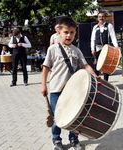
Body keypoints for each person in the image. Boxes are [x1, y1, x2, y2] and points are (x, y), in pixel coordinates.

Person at [41, 17, 97, 150]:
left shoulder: (76, 50)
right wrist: (43, 85)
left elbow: (85, 65)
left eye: (72, 32)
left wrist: (95, 75)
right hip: (56, 89)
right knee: (57, 118)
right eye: (66, 32)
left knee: (75, 116)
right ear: (59, 32)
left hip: (72, 90)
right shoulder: (53, 49)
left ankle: (74, 139)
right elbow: (45, 68)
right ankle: (57, 140)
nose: (69, 35)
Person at [91, 11, 118, 81]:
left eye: (102, 16)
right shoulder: (95, 27)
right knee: (96, 66)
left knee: (106, 65)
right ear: (97, 18)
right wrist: (92, 49)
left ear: (105, 18)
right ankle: (97, 81)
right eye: (99, 17)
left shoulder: (109, 26)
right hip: (97, 48)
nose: (101, 18)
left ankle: (106, 81)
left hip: (107, 49)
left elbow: (113, 37)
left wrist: (116, 47)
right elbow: (92, 39)